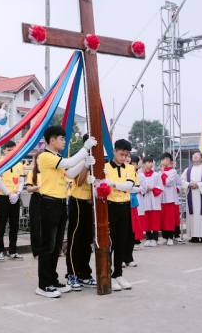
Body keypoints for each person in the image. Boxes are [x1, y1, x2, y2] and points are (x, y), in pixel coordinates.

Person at [36, 125, 96, 298]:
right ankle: (43, 284)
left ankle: (53, 280)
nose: (64, 141)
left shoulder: (57, 157)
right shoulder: (45, 156)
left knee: (55, 247)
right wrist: (86, 149)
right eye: (62, 139)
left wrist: (84, 164)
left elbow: (69, 173)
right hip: (49, 203)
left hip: (61, 203)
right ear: (52, 140)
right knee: (48, 246)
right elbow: (69, 163)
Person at [100, 139, 139, 291]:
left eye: (126, 155)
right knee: (111, 242)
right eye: (121, 154)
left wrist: (113, 183)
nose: (124, 158)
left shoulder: (129, 168)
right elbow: (101, 185)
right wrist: (109, 183)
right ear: (114, 151)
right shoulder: (104, 167)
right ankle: (109, 274)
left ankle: (118, 274)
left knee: (122, 241)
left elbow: (129, 186)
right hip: (110, 207)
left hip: (124, 206)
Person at [65, 134, 97, 291]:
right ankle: (72, 274)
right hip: (77, 201)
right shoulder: (79, 158)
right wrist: (85, 165)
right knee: (75, 240)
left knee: (87, 241)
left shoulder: (98, 160)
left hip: (91, 204)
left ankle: (85, 273)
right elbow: (77, 181)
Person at [0, 140, 25, 261]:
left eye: (13, 150)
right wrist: (8, 193)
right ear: (4, 151)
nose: (11, 152)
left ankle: (13, 250)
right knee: (1, 225)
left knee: (14, 225)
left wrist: (18, 193)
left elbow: (21, 180)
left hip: (16, 197)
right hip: (3, 197)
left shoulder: (19, 164)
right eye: (8, 150)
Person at [181, 151, 202, 243]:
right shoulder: (187, 170)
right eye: (193, 155)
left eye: (197, 155)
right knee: (193, 215)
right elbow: (182, 180)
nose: (195, 156)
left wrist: (198, 185)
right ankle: (194, 236)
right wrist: (189, 184)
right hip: (191, 194)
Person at [124, 154, 143, 267]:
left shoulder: (132, 171)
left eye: (128, 156)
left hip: (131, 203)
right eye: (124, 155)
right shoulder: (115, 170)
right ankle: (120, 258)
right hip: (119, 202)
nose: (127, 158)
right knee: (121, 232)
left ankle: (129, 257)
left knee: (131, 231)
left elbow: (137, 187)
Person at [139, 155, 162, 247]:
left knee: (154, 219)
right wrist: (144, 189)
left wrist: (152, 188)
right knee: (147, 219)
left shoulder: (157, 175)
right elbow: (139, 187)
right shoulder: (141, 175)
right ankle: (148, 238)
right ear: (144, 164)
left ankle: (155, 239)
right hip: (145, 199)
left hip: (154, 198)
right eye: (148, 162)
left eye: (151, 162)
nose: (151, 164)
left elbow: (160, 187)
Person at [158, 152, 178, 245]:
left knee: (169, 218)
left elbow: (168, 182)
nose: (162, 161)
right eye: (161, 160)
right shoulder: (159, 172)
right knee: (163, 218)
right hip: (161, 197)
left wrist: (162, 172)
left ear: (168, 160)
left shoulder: (173, 172)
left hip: (170, 198)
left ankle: (171, 237)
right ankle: (164, 236)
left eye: (163, 159)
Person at [25, 151, 42, 259]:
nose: (40, 160)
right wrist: (38, 187)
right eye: (38, 158)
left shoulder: (49, 172)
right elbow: (29, 189)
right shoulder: (32, 173)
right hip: (36, 198)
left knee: (45, 226)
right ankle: (36, 252)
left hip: (47, 199)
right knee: (35, 226)